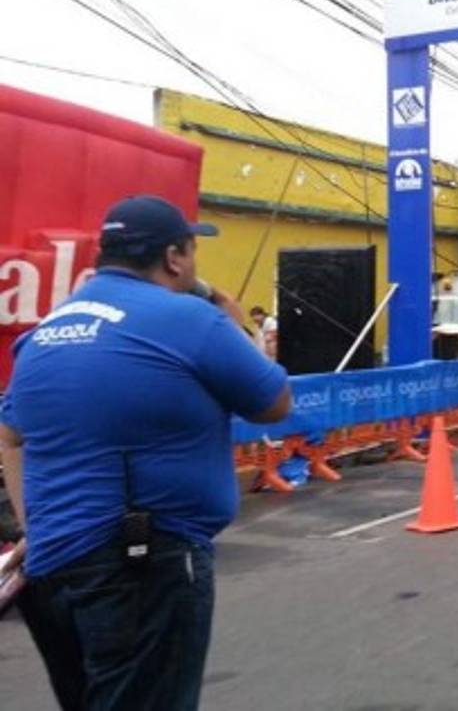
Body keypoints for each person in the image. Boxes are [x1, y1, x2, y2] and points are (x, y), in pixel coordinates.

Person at [0, 195, 291, 711]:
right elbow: (274, 403)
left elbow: (9, 437)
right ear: (175, 257)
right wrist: (220, 303)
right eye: (191, 251)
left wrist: (33, 528)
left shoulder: (47, 331)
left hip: (52, 573)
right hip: (141, 569)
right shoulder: (189, 320)